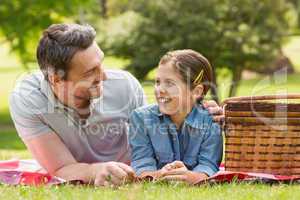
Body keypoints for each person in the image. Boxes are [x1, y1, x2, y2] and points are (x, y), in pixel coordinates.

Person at [9, 23, 223, 187]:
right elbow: (61, 168)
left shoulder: (125, 86)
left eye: (100, 63)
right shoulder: (29, 99)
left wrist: (198, 107)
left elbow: (158, 128)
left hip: (138, 172)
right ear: (56, 79)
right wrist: (96, 172)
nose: (104, 76)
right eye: (89, 72)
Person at [129, 50, 223, 185]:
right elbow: (141, 165)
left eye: (170, 83)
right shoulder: (141, 119)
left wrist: (190, 177)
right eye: (157, 82)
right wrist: (160, 174)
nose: (159, 90)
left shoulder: (211, 121)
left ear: (196, 92)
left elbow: (208, 166)